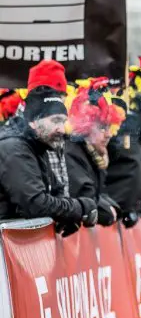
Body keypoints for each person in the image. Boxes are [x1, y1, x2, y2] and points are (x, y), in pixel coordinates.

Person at [0, 71, 98, 230]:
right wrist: (79, 207)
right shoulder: (13, 147)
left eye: (63, 121)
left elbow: (56, 192)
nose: (62, 129)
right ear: (33, 121)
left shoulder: (39, 144)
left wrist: (66, 215)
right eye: (55, 121)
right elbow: (35, 204)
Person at [64, 84, 124, 226]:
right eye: (103, 127)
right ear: (86, 125)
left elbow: (99, 194)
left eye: (110, 127)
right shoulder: (72, 152)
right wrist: (107, 212)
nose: (109, 134)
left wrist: (113, 209)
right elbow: (84, 195)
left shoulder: (93, 154)